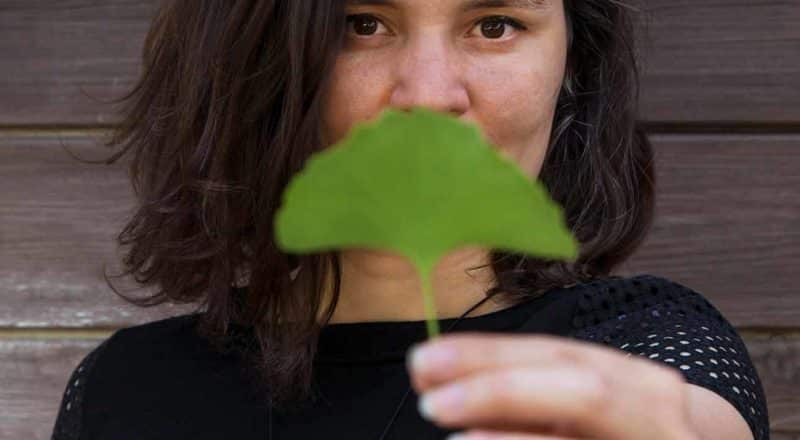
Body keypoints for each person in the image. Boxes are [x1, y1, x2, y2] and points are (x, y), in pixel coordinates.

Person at [51, 0, 770, 439]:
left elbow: (690, 421)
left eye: (495, 25)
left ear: (571, 67)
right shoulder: (121, 387)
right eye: (362, 24)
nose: (427, 96)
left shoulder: (648, 345)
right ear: (256, 61)